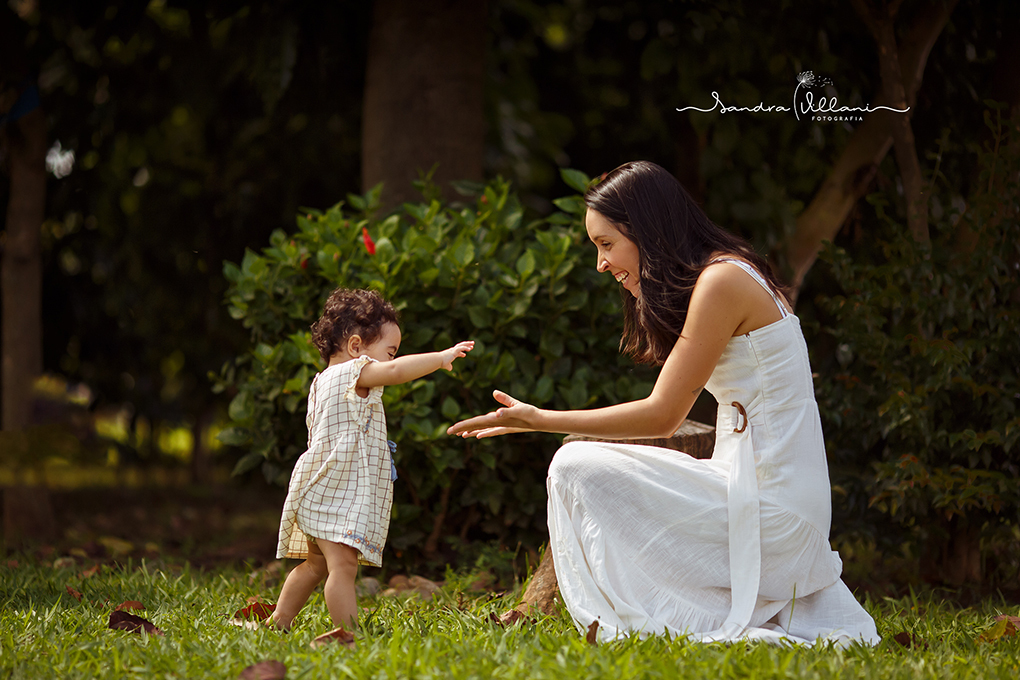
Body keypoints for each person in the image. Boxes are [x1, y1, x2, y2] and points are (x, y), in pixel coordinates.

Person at [448, 161, 880, 646]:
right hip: (751, 492)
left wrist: (538, 419)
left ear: (646, 231)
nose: (600, 264)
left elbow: (663, 414)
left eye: (606, 244)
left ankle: (650, 615)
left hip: (775, 514)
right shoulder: (722, 276)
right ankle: (672, 609)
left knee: (574, 464)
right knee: (582, 465)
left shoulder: (722, 281)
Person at [271, 288, 474, 640]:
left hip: (319, 490)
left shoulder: (321, 381)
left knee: (315, 565)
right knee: (343, 566)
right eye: (389, 351)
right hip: (334, 494)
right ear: (355, 347)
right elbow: (394, 372)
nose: (392, 359)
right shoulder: (352, 373)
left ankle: (279, 621)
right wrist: (440, 358)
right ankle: (348, 634)